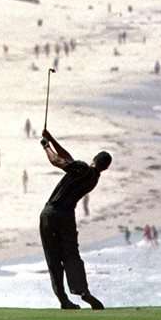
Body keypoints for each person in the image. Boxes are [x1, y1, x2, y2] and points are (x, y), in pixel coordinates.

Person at [39, 128, 111, 310]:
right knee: (72, 255)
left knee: (53, 257)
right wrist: (52, 138)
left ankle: (63, 300)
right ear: (105, 167)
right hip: (68, 217)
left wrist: (46, 146)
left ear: (94, 159)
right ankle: (83, 291)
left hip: (51, 213)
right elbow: (67, 158)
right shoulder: (93, 178)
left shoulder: (82, 168)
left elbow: (56, 160)